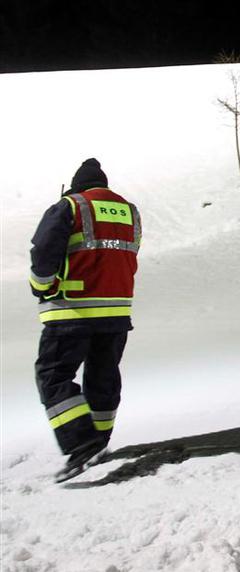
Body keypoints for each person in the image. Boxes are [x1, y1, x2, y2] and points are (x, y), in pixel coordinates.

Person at [29, 158, 142, 481]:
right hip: (117, 312)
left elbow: (43, 252)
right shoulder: (129, 211)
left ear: (77, 185)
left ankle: (82, 443)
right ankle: (100, 442)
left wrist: (41, 287)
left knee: (53, 375)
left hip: (72, 311)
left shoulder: (70, 206)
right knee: (103, 376)